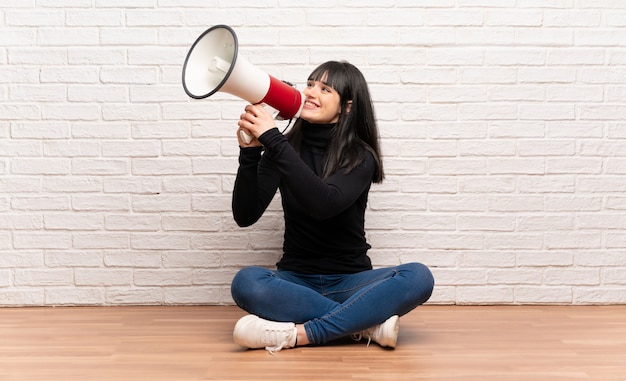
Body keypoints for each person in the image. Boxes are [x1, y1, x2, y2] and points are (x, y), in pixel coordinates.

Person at [230, 60, 434, 354]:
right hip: (295, 280)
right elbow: (245, 215)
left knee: (419, 276)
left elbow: (323, 204)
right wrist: (249, 155)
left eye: (325, 89)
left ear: (347, 106)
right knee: (246, 282)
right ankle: (364, 325)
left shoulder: (360, 155)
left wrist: (273, 139)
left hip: (351, 281)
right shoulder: (283, 147)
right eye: (311, 84)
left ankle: (300, 334)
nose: (312, 92)